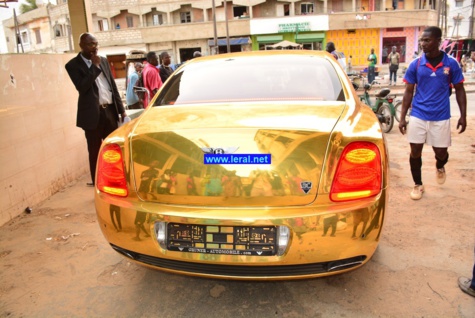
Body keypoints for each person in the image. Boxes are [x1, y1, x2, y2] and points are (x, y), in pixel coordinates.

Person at [398, 26, 467, 200]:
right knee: (415, 151)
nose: (423, 43)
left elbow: (459, 89)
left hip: (441, 116)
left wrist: (463, 115)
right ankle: (418, 185)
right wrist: (402, 118)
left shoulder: (451, 64)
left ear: (438, 41)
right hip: (418, 114)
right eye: (422, 40)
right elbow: (408, 92)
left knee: (441, 153)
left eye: (427, 40)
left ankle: (440, 165)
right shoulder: (416, 64)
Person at [65, 33, 127, 187]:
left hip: (110, 112)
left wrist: (121, 110)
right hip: (92, 115)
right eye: (91, 44)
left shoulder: (104, 61)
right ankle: (98, 183)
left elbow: (112, 86)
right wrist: (94, 67)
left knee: (114, 148)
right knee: (94, 151)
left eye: (96, 44)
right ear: (81, 46)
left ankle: (116, 181)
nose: (95, 47)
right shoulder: (73, 65)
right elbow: (82, 87)